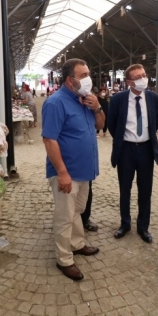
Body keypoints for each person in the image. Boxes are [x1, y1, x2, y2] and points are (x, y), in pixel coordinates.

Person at [42, 58, 106, 281]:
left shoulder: (85, 99)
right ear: (70, 80)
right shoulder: (55, 103)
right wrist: (62, 173)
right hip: (67, 172)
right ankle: (64, 259)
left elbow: (100, 126)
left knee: (78, 210)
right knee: (64, 216)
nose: (89, 79)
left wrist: (97, 108)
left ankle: (77, 243)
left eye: (88, 74)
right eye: (83, 75)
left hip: (85, 170)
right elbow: (49, 140)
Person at [107, 64, 158, 243]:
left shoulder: (153, 98)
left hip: (146, 149)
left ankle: (143, 227)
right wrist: (123, 140)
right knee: (125, 189)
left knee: (145, 190)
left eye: (144, 75)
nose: (143, 79)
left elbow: (155, 122)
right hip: (126, 150)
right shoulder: (118, 99)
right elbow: (112, 124)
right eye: (138, 77)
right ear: (129, 82)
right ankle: (125, 223)